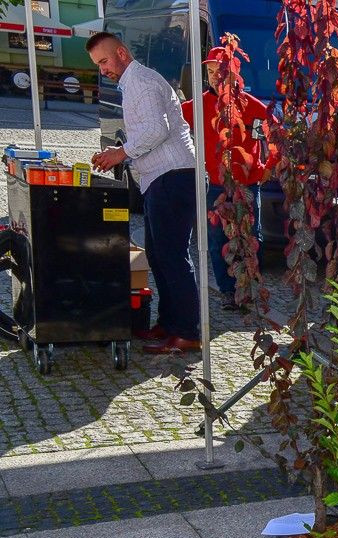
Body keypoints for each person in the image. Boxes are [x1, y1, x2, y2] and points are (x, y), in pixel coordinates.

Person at [88, 32, 200, 354]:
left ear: (122, 53)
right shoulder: (135, 82)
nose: (102, 69)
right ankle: (170, 324)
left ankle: (187, 333)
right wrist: (123, 150)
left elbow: (156, 130)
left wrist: (121, 153)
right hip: (163, 177)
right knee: (160, 256)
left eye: (104, 61)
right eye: (98, 64)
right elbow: (147, 132)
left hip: (172, 176)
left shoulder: (140, 81)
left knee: (172, 258)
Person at [181, 47, 273, 312]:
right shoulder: (196, 108)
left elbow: (276, 139)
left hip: (246, 184)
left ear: (234, 73)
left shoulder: (253, 108)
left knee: (251, 236)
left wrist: (269, 166)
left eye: (219, 71)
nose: (213, 77)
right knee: (216, 238)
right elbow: (170, 125)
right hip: (216, 186)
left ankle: (249, 289)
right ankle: (227, 291)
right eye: (209, 72)